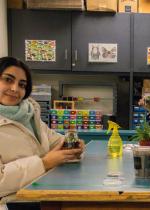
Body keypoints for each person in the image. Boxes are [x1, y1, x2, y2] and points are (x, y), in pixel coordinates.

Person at [0, 57, 85, 210]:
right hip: (14, 203)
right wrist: (44, 163)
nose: (15, 88)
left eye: (22, 84)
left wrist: (73, 145)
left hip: (46, 195)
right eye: (8, 79)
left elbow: (56, 141)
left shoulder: (30, 115)